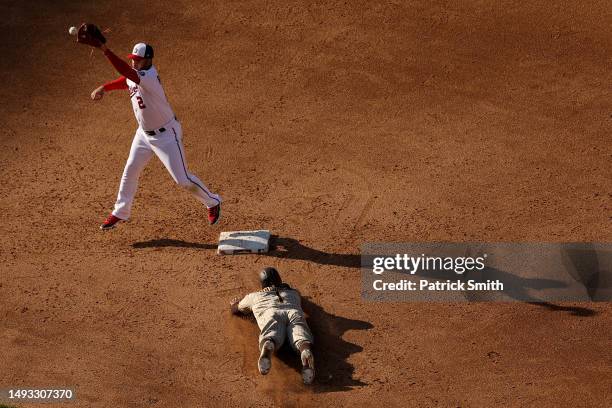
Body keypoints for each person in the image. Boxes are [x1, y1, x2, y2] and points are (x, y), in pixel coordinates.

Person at [90, 41, 221, 230]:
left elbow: (128, 74)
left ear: (148, 60)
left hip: (167, 135)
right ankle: (120, 211)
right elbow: (125, 80)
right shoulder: (134, 75)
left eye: (138, 60)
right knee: (131, 170)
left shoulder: (149, 76)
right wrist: (104, 87)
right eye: (133, 59)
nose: (134, 63)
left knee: (182, 179)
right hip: (143, 134)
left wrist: (104, 50)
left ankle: (213, 201)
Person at [231, 267, 316, 385]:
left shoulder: (253, 296)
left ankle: (268, 344)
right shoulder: (294, 293)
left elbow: (235, 310)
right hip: (293, 312)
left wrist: (234, 304)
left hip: (271, 313)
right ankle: (305, 350)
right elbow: (292, 291)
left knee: (271, 334)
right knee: (300, 336)